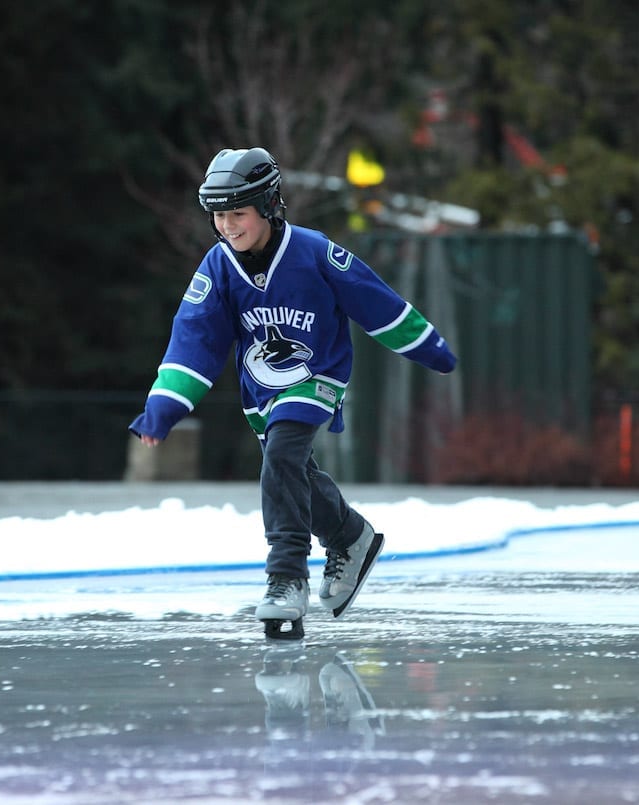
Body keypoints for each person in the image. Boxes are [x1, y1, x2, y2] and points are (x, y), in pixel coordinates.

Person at [128, 147, 457, 636]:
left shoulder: (314, 252)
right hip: (261, 390)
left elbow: (374, 299)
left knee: (281, 455)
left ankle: (285, 579)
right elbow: (194, 335)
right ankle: (350, 536)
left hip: (317, 374)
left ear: (268, 206)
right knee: (293, 469)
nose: (227, 226)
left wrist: (428, 347)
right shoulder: (218, 268)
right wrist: (164, 403)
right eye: (219, 216)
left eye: (237, 213)